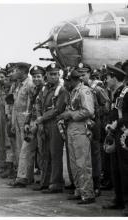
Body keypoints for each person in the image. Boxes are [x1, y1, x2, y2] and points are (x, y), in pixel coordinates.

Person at [58, 69, 95, 204]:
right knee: (74, 163)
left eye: (67, 80)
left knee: (83, 163)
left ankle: (88, 193)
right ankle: (79, 190)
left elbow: (89, 111)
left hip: (80, 128)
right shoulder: (73, 91)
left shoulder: (84, 91)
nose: (65, 83)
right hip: (72, 128)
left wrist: (71, 115)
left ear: (73, 80)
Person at [8, 65, 46, 187]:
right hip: (29, 121)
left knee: (40, 151)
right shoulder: (30, 87)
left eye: (38, 76)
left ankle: (41, 178)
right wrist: (26, 122)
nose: (36, 79)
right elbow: (29, 106)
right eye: (34, 76)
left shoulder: (34, 86)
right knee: (25, 149)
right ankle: (24, 177)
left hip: (39, 121)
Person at [33, 63, 69, 193]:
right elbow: (37, 103)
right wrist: (40, 120)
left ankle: (56, 184)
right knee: (44, 153)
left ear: (59, 75)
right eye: (51, 74)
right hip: (44, 123)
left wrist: (41, 118)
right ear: (46, 75)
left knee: (55, 154)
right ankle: (45, 182)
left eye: (56, 74)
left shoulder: (62, 90)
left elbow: (57, 109)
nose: (54, 77)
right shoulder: (44, 88)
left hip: (55, 123)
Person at [79, 64, 109, 197]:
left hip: (95, 124)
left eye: (84, 74)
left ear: (89, 74)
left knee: (95, 154)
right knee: (85, 155)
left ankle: (96, 184)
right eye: (79, 74)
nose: (81, 76)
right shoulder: (79, 89)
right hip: (84, 123)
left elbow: (107, 106)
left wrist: (95, 114)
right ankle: (86, 184)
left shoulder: (96, 89)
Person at [102, 65, 128, 216]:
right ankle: (119, 199)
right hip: (115, 134)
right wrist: (109, 124)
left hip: (125, 135)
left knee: (125, 169)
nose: (105, 80)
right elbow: (114, 112)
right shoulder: (116, 93)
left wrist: (117, 123)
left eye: (107, 77)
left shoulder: (126, 93)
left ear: (114, 77)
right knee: (116, 168)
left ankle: (125, 201)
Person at [11, 62, 34, 169]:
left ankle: (25, 176)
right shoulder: (19, 85)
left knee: (25, 149)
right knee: (19, 148)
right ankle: (20, 173)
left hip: (24, 120)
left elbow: (30, 105)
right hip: (17, 119)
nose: (14, 73)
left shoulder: (29, 84)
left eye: (16, 70)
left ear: (22, 71)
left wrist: (27, 121)